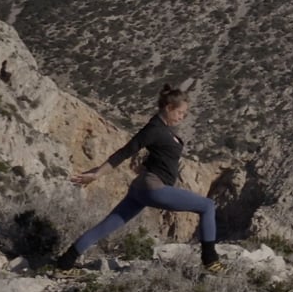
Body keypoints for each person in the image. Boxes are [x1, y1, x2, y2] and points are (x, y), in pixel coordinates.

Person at [52, 85, 220, 272]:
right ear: (168, 108)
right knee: (207, 206)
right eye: (180, 112)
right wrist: (97, 174)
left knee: (107, 225)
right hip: (153, 187)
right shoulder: (153, 128)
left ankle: (65, 261)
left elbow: (158, 155)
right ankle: (211, 260)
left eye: (184, 114)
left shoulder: (163, 129)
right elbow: (125, 152)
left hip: (141, 187)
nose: (182, 117)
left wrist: (145, 164)